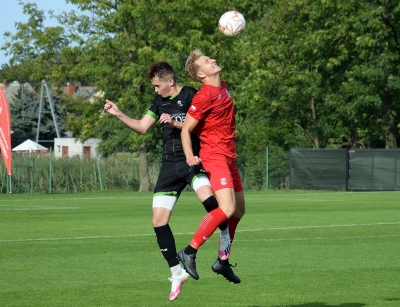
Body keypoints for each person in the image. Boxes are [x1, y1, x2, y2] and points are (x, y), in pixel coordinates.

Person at [103, 61, 231, 301]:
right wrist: (119, 114)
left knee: (209, 200)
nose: (155, 90)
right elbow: (142, 127)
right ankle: (176, 272)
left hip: (192, 160)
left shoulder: (191, 95)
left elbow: (202, 126)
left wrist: (175, 123)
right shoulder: (158, 103)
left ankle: (225, 237)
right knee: (158, 221)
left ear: (170, 81)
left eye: (157, 85)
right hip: (169, 166)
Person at [178, 49, 246, 283]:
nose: (213, 60)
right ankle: (189, 251)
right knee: (226, 209)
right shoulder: (204, 95)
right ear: (200, 74)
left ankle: (222, 261)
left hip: (229, 156)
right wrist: (190, 156)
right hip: (214, 155)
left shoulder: (223, 88)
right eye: (207, 61)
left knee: (238, 211)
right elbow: (187, 128)